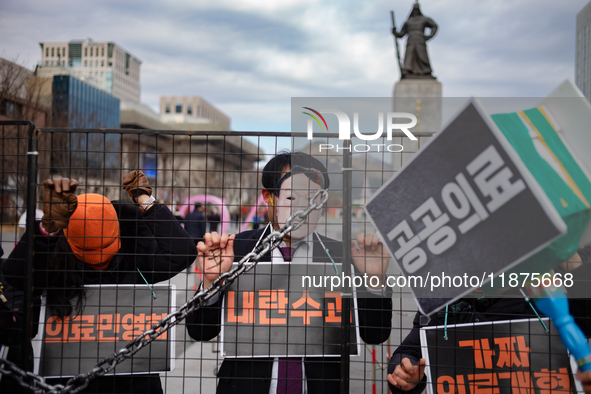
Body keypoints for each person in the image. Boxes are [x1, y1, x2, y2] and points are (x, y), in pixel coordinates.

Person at [186, 151, 393, 394]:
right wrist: (211, 283)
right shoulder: (236, 250)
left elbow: (375, 334)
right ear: (268, 197)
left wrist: (375, 280)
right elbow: (200, 331)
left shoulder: (341, 256)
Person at [0, 170, 197, 394]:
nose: (99, 262)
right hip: (70, 384)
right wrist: (46, 229)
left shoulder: (135, 257)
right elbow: (15, 276)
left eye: (105, 251)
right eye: (89, 253)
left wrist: (146, 201)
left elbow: (182, 253)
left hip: (134, 382)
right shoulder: (54, 263)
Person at [392, 2, 438, 78]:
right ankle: (407, 69)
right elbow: (401, 34)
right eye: (414, 10)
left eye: (417, 10)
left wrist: (430, 36)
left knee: (422, 55)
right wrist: (395, 32)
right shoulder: (408, 21)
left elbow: (434, 26)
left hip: (420, 39)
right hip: (411, 40)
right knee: (409, 55)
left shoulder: (424, 19)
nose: (416, 11)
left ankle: (426, 71)